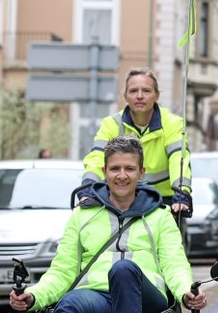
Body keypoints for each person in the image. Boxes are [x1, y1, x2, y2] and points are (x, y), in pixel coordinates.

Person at [11, 135, 207, 313]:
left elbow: (174, 264)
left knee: (123, 270)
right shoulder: (83, 215)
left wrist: (186, 292)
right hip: (99, 298)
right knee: (70, 301)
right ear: (104, 172)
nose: (122, 176)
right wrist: (33, 295)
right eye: (115, 169)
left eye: (129, 169)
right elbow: (63, 270)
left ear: (141, 172)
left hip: (147, 301)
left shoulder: (160, 216)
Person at [81, 68, 192, 215]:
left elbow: (179, 159)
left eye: (146, 91)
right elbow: (97, 158)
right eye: (133, 91)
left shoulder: (173, 123)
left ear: (157, 95)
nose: (139, 96)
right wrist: (88, 188)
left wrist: (181, 192)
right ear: (125, 96)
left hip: (163, 202)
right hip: (120, 202)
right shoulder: (111, 124)